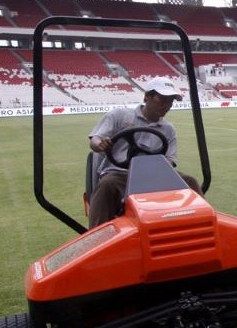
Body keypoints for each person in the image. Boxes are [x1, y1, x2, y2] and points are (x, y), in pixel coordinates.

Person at [86, 77, 201, 228]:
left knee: (190, 181)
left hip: (154, 175)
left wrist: (154, 166)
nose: (167, 105)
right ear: (147, 96)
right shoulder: (119, 115)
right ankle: (96, 233)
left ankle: (199, 225)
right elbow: (95, 139)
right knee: (107, 184)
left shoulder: (168, 129)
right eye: (162, 99)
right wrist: (100, 144)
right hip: (121, 173)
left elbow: (170, 160)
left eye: (171, 101)